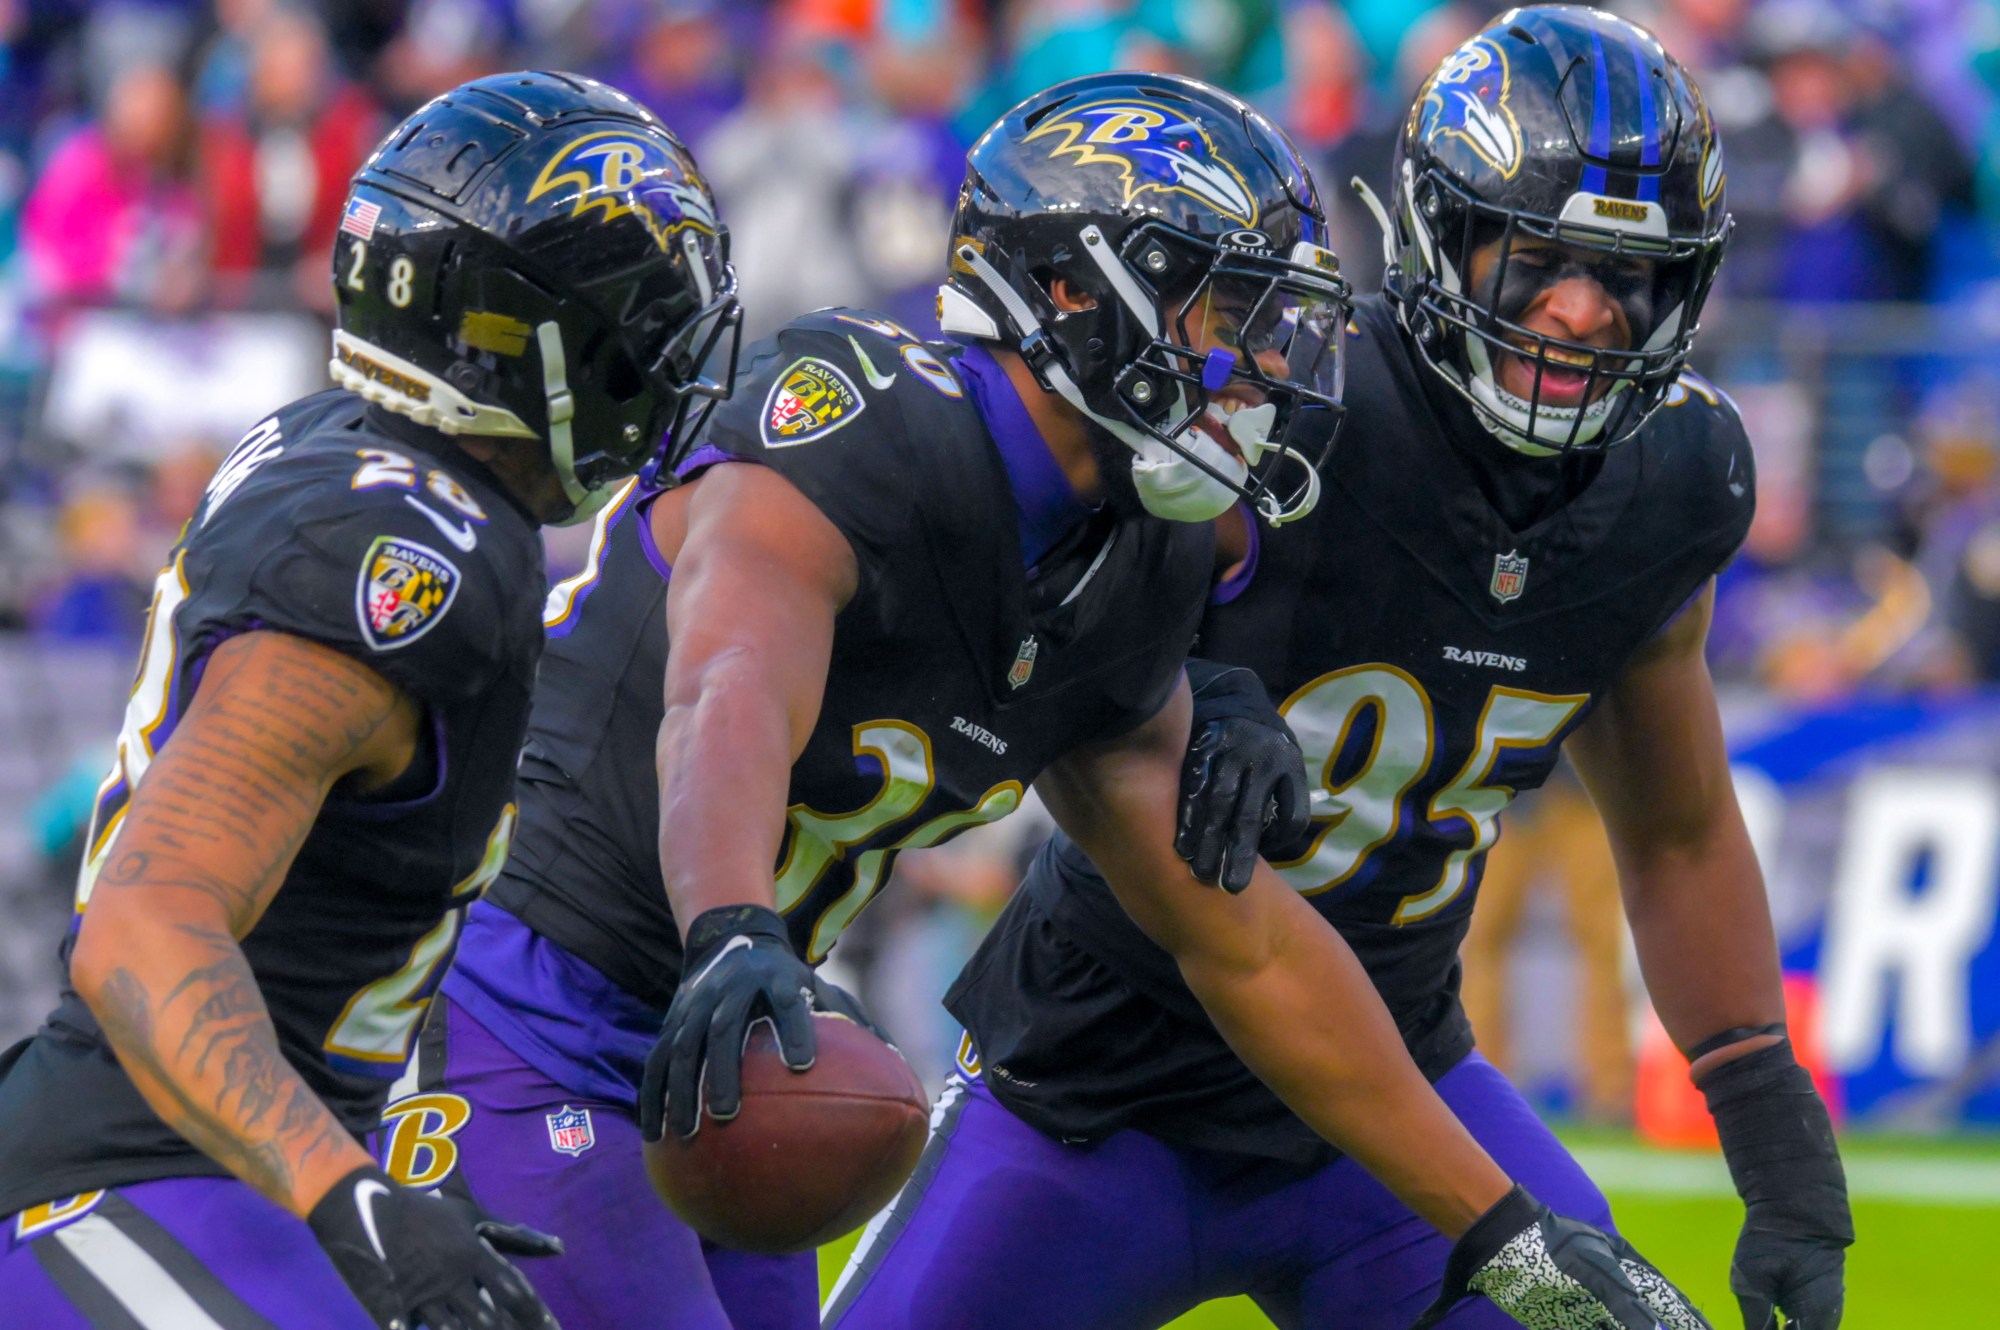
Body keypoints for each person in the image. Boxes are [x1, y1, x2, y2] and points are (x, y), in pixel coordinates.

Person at [377, 70, 1700, 1330]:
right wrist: (732, 918)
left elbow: (1243, 941)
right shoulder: (869, 422)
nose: (1268, 361)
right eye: (1228, 310)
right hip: (516, 987)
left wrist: (1503, 1231)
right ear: (1071, 287)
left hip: (732, 1027)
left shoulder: (1140, 554)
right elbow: (728, 683)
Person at [827, 11, 1851, 1330]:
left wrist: (1768, 1121)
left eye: (1627, 275)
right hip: (1098, 1093)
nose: (1582, 308)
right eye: (1538, 256)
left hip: (1396, 1110)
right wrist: (1179, 664)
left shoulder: (1673, 479)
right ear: (1444, 236)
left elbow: (1678, 828)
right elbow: (1058, 616)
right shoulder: (1277, 398)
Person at [0, 71, 739, 1330]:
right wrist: (349, 1192)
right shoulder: (408, 550)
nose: (663, 365)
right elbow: (146, 925)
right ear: (524, 332)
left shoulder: (365, 458)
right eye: (637, 323)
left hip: (235, 1171)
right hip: (132, 1176)